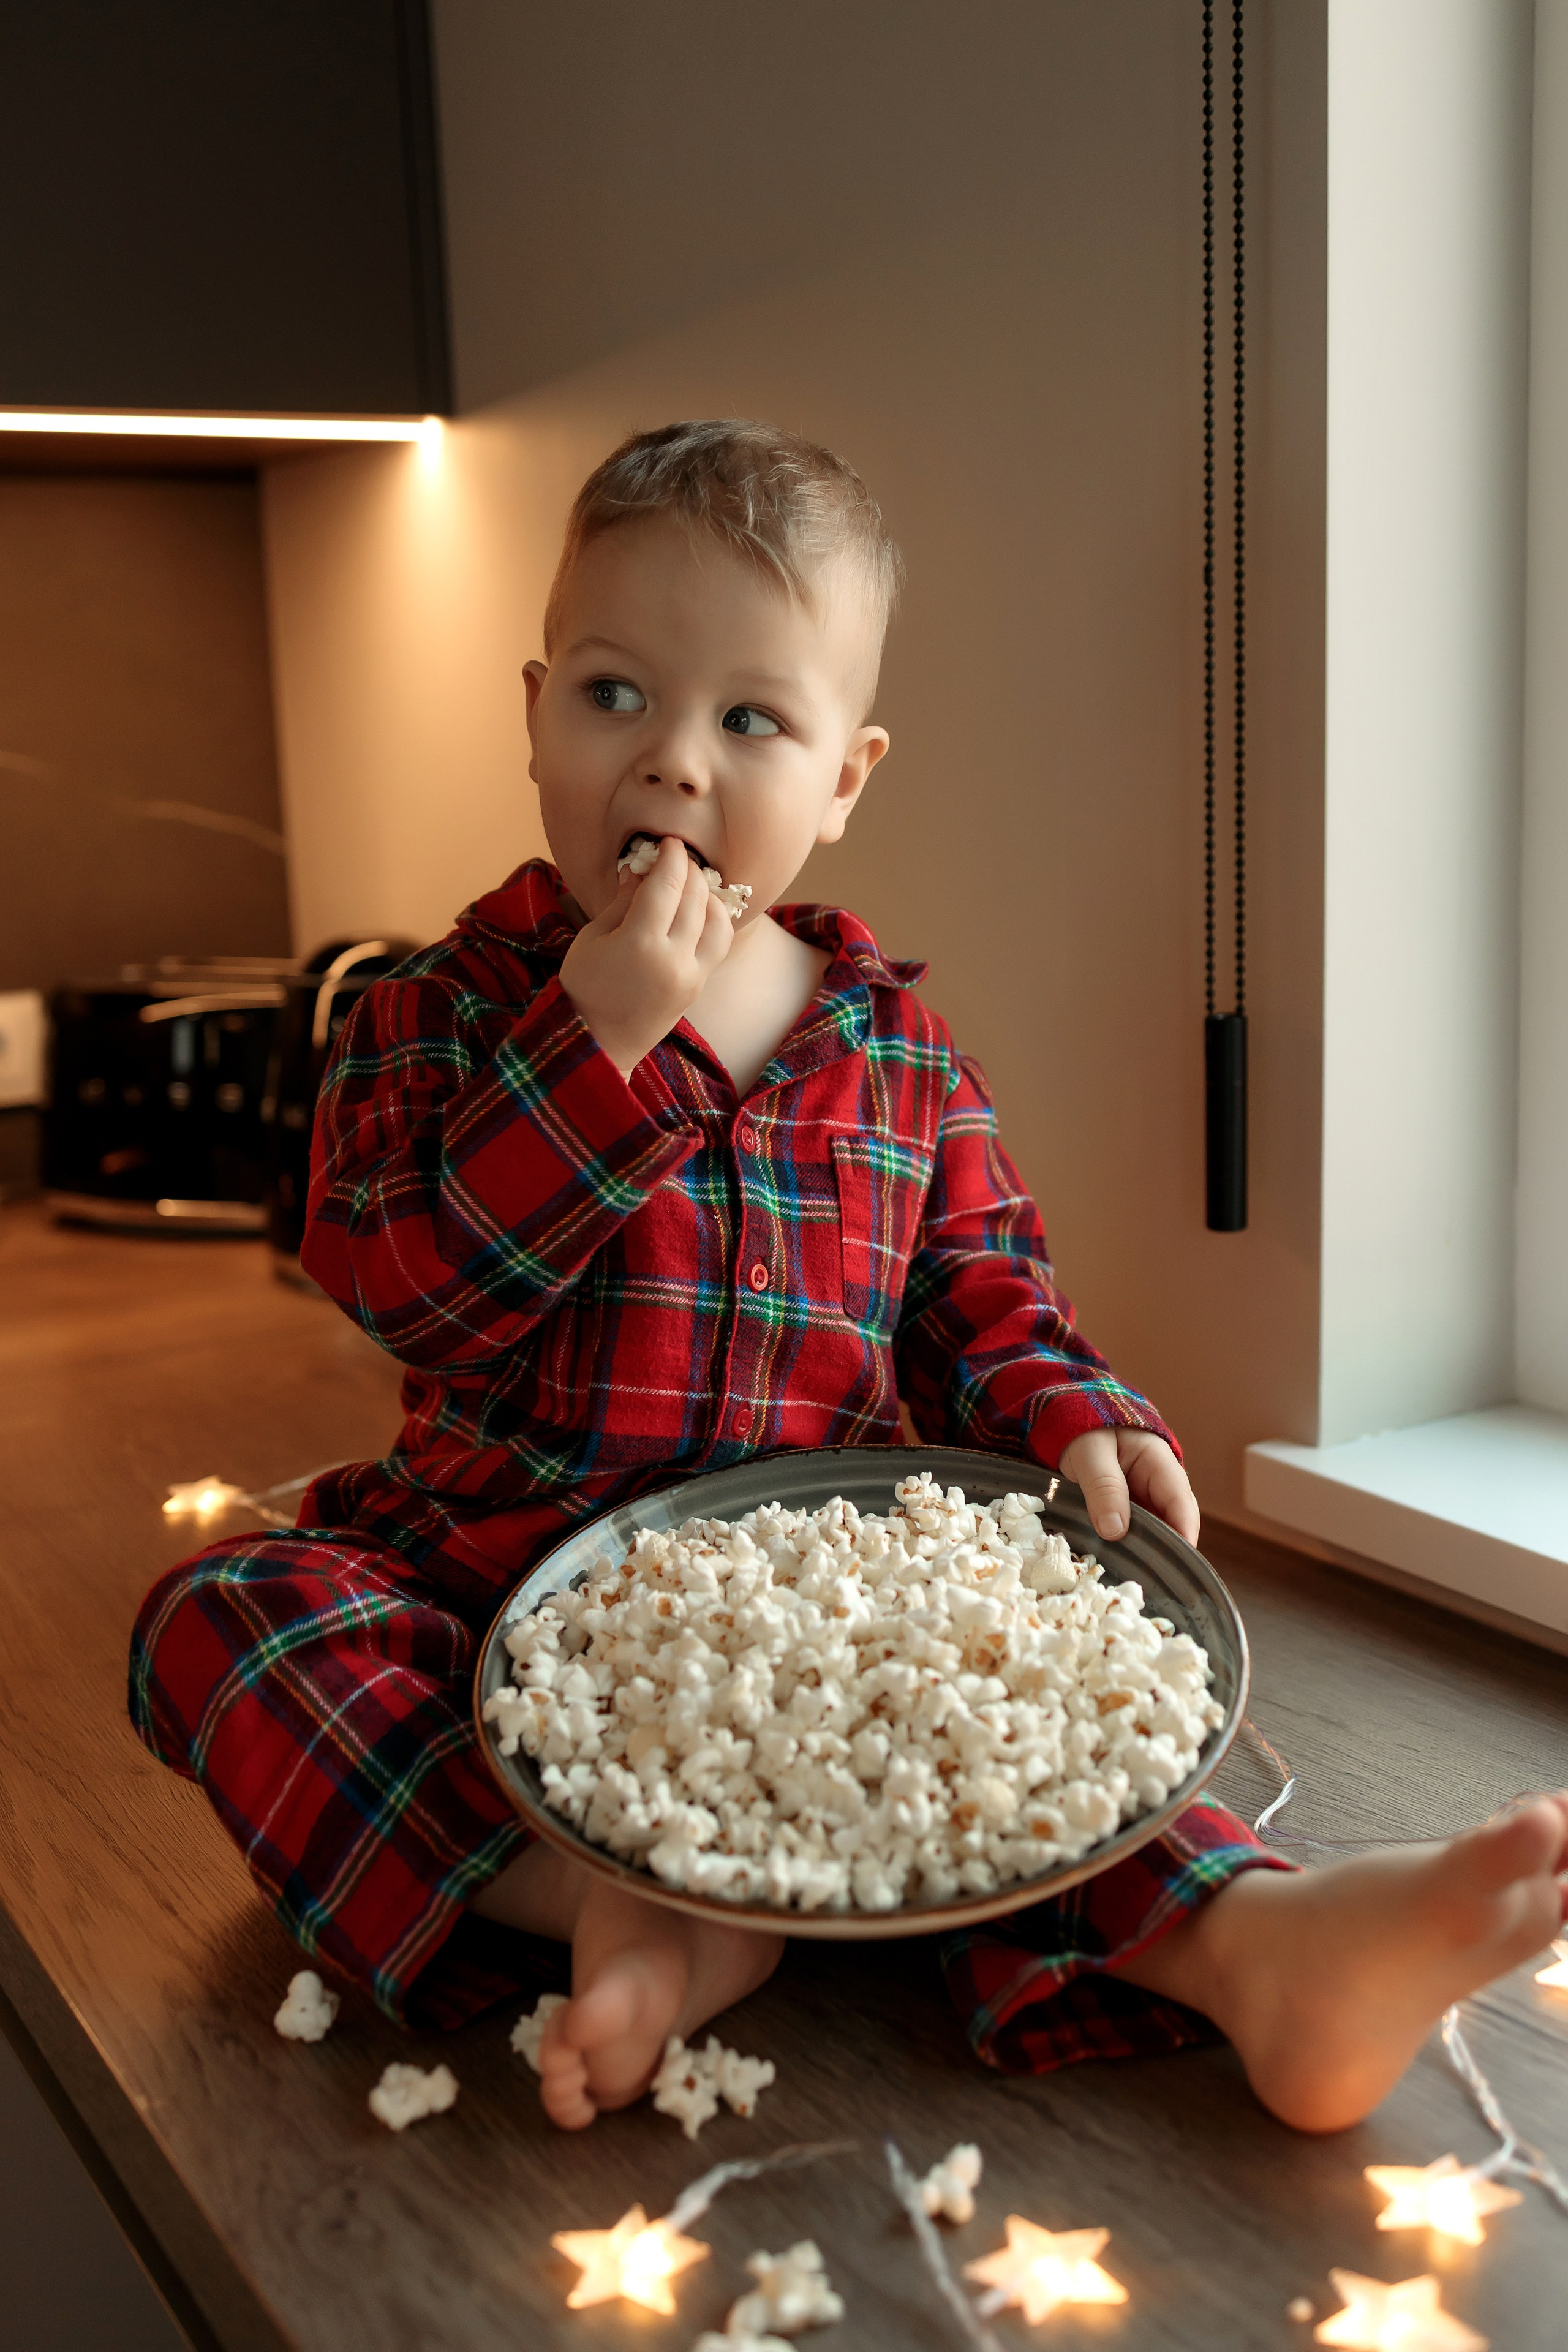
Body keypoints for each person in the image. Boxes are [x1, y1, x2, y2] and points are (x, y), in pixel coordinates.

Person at [130, 421, 1567, 2136]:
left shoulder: (892, 1044)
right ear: (532, 714)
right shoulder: (429, 1015)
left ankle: (1260, 1945)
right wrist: (594, 1047)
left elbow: (984, 1289)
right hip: (497, 1580)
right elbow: (401, 1288)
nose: (670, 764)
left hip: (834, 1603)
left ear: (844, 778)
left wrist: (1069, 1403)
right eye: (613, 696)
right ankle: (591, 1887)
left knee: (1006, 1703)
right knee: (222, 1620)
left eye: (750, 720)